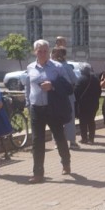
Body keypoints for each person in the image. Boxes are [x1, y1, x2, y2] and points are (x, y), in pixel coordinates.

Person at [23, 39, 73, 184]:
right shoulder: (30, 67)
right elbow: (28, 87)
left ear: (49, 51)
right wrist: (28, 103)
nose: (43, 53)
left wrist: (53, 85)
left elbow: (68, 87)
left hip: (53, 108)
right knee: (37, 141)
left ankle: (66, 161)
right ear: (35, 52)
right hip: (36, 108)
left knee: (59, 136)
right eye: (40, 51)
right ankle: (38, 173)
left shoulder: (57, 67)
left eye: (45, 50)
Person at [52, 46, 80, 149]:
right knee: (69, 119)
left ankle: (56, 142)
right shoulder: (67, 67)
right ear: (64, 55)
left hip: (55, 97)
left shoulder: (51, 67)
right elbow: (75, 80)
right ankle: (72, 142)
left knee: (56, 119)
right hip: (68, 97)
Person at [74, 63, 101, 144]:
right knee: (91, 121)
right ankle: (91, 138)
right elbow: (99, 92)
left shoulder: (80, 79)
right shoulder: (96, 79)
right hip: (94, 103)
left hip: (83, 104)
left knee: (83, 121)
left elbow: (76, 92)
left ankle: (84, 138)